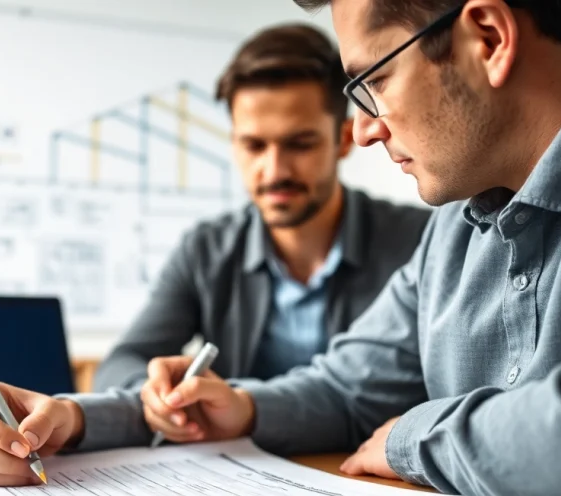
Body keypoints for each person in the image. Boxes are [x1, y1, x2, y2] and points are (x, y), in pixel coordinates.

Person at [0, 0, 561, 496]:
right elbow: (346, 389)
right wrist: (78, 418)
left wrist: (419, 435)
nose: (366, 129)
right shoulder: (461, 219)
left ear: (488, 36)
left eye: (372, 81)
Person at [92, 24, 430, 394]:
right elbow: (121, 364)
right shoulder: (206, 249)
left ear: (344, 140)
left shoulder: (420, 242)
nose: (274, 172)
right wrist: (152, 392)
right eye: (254, 146)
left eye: (299, 144)